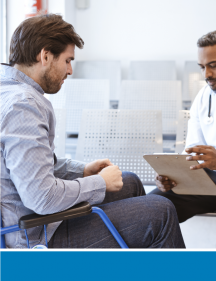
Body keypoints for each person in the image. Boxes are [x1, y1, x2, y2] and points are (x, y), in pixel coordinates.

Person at [0, 14, 185, 248]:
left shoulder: (8, 90)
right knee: (162, 211)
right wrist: (99, 182)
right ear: (45, 56)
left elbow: (27, 166)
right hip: (35, 235)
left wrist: (84, 170)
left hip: (36, 220)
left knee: (130, 182)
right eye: (67, 61)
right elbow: (42, 197)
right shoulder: (23, 105)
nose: (70, 70)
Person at [151, 30, 216, 248]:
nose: (206, 74)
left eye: (213, 65)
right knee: (151, 209)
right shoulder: (204, 96)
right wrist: (173, 174)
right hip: (208, 178)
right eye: (202, 67)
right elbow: (192, 151)